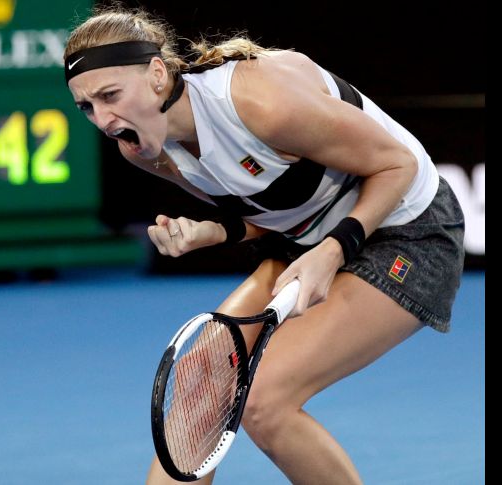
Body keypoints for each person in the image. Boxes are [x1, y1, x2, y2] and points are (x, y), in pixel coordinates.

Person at [64, 4, 465, 484]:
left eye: (110, 95)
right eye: (87, 107)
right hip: (310, 238)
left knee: (266, 403)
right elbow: (272, 210)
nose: (104, 120)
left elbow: (397, 165)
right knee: (200, 380)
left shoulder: (260, 103)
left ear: (155, 74)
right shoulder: (144, 150)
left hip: (409, 231)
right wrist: (216, 231)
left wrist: (334, 249)